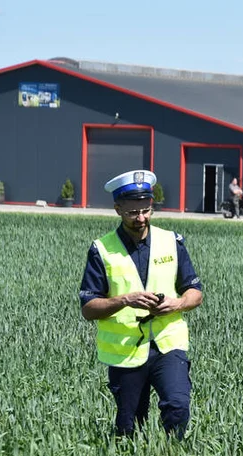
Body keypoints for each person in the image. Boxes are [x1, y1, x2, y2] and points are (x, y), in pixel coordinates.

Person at [79, 170, 204, 439]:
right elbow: (88, 308)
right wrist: (126, 299)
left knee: (178, 406)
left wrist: (177, 303)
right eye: (132, 213)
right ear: (117, 209)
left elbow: (195, 292)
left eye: (146, 210)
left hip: (167, 343)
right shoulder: (101, 250)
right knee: (129, 429)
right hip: (126, 352)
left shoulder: (171, 242)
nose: (141, 218)